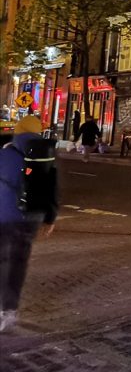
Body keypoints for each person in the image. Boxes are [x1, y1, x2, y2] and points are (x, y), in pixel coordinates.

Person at [0, 115, 59, 333]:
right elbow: (51, 190)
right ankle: (10, 311)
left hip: (3, 215)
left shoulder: (5, 153)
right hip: (29, 219)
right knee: (17, 263)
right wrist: (50, 219)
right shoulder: (45, 156)